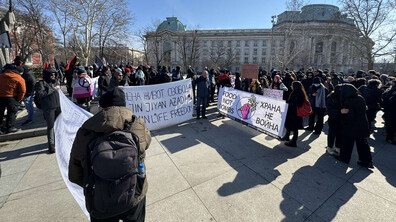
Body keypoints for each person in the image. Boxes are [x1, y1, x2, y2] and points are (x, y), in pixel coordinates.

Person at [69, 88, 151, 222]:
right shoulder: (138, 125)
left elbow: (74, 172)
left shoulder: (86, 131)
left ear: (101, 108)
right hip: (134, 195)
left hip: (100, 202)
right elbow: (146, 143)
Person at [336, 84, 373, 168]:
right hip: (362, 125)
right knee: (363, 144)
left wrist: (342, 114)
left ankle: (344, 158)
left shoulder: (348, 101)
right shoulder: (360, 98)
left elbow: (350, 116)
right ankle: (367, 161)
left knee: (347, 143)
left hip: (351, 126)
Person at [34, 68, 61, 153]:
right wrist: (53, 89)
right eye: (51, 75)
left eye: (54, 74)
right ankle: (51, 145)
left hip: (57, 106)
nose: (53, 76)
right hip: (49, 108)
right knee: (51, 126)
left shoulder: (55, 82)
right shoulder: (40, 84)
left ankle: (58, 141)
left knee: (58, 124)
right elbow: (41, 94)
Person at [281, 81, 308, 147]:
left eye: (292, 85)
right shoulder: (295, 92)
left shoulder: (299, 93)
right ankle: (286, 136)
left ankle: (293, 141)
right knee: (288, 125)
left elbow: (298, 103)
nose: (291, 86)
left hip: (295, 113)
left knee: (295, 128)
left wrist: (289, 103)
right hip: (291, 112)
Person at [0, 64, 26, 134]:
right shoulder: (19, 78)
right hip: (12, 97)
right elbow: (22, 90)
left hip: (1, 97)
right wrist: (19, 99)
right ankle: (10, 127)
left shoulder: (1, 76)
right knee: (11, 113)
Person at [326, 85, 343, 155]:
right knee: (332, 133)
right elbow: (330, 110)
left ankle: (337, 146)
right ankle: (330, 147)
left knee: (339, 133)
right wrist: (340, 111)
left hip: (340, 118)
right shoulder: (331, 97)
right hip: (333, 118)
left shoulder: (343, 97)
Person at [381, 79, 396, 144]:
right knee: (392, 125)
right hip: (392, 110)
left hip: (389, 110)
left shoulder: (389, 90)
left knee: (390, 125)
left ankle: (390, 137)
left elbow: (383, 96)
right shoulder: (391, 91)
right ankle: (390, 138)